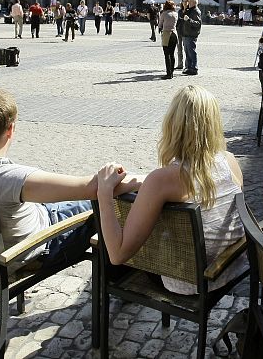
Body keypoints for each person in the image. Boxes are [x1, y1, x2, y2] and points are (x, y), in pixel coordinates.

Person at [0, 88, 141, 267]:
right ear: (10, 130)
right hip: (34, 249)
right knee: (108, 204)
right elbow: (93, 187)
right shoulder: (8, 179)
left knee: (78, 202)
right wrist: (147, 181)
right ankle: (119, 275)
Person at [95, 85, 246, 294]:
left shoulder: (162, 180)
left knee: (110, 255)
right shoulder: (230, 161)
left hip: (189, 280)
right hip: (229, 268)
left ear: (172, 125)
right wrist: (144, 183)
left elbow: (118, 255)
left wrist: (104, 193)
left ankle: (110, 310)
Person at [181, 0, 202, 75]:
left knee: (191, 52)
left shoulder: (196, 11)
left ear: (193, 3)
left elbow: (197, 24)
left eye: (189, 2)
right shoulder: (189, 10)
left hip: (191, 34)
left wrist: (189, 20)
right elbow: (183, 15)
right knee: (187, 52)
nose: (187, 3)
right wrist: (185, 7)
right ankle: (189, 67)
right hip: (186, 34)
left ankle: (194, 68)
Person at [158, 0, 178, 79]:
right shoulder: (175, 14)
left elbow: (160, 23)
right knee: (172, 54)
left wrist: (160, 29)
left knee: (167, 54)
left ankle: (168, 73)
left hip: (166, 34)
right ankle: (172, 72)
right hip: (174, 34)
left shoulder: (164, 13)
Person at [175, 0, 187, 69]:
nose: (184, 3)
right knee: (179, 49)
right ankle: (180, 64)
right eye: (183, 1)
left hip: (186, 32)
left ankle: (187, 65)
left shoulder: (189, 11)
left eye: (186, 1)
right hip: (179, 31)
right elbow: (178, 20)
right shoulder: (179, 11)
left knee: (186, 49)